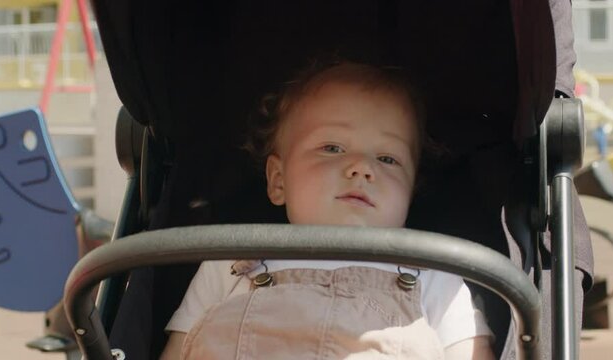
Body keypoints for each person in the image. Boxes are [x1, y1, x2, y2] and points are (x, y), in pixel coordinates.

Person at [160, 61, 495, 359]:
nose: (362, 168)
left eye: (387, 159)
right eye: (332, 148)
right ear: (278, 180)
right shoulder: (230, 261)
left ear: (410, 190)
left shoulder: (435, 271)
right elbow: (180, 352)